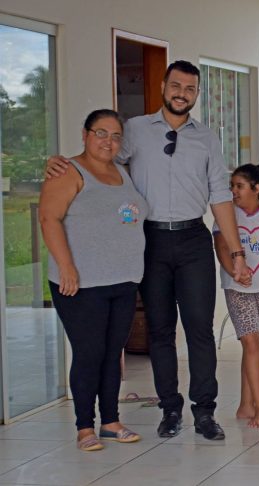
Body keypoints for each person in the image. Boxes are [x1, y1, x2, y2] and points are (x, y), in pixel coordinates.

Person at [45, 60, 251, 441]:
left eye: (190, 89)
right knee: (159, 330)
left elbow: (221, 196)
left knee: (200, 329)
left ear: (197, 94)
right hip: (150, 240)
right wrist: (63, 163)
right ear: (163, 87)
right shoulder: (136, 130)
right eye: (176, 86)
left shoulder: (207, 138)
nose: (181, 94)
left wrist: (237, 253)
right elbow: (101, 160)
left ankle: (204, 411)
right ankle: (170, 409)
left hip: (193, 239)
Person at [40, 109, 148, 451]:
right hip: (81, 283)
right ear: (85, 134)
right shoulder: (67, 171)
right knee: (89, 353)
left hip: (122, 280)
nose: (108, 141)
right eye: (101, 133)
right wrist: (66, 266)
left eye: (115, 136)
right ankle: (85, 427)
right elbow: (48, 218)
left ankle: (111, 422)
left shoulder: (122, 171)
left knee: (112, 353)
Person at [213, 163, 259, 428]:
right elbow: (221, 247)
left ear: (256, 188)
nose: (233, 191)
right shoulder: (226, 215)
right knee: (252, 343)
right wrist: (235, 272)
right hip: (237, 289)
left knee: (253, 346)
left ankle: (245, 405)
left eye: (239, 186)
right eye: (232, 185)